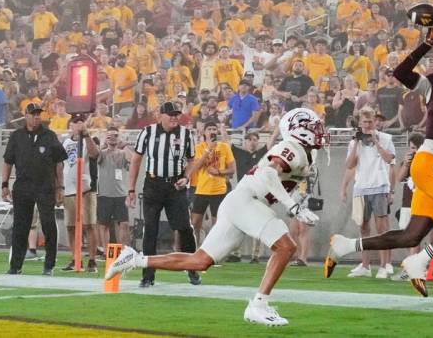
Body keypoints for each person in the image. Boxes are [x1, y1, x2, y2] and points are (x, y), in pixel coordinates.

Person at [325, 19, 433, 298]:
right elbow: (401, 71)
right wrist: (427, 43)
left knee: (411, 235)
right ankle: (421, 260)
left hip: (431, 163)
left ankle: (346, 245)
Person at [107, 108, 323, 326]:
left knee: (199, 261)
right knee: (286, 247)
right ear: (298, 130)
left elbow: (280, 181)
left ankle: (134, 259)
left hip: (240, 203)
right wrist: (293, 206)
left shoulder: (306, 153)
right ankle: (258, 305)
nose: (319, 131)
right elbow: (268, 174)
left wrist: (298, 202)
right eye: (313, 127)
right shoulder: (292, 147)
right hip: (247, 201)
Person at [127, 101, 202, 288]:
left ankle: (192, 267)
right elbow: (136, 161)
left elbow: (192, 160)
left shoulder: (186, 134)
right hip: (153, 184)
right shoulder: (148, 132)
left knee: (184, 228)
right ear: (160, 115)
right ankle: (148, 275)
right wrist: (131, 190)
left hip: (175, 185)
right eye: (171, 114)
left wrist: (186, 176)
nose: (175, 117)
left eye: (177, 114)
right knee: (150, 230)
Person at [2, 103, 67, 275]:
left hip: (45, 187)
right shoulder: (17, 136)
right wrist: (4, 184)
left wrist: (60, 187)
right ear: (26, 116)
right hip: (23, 186)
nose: (37, 116)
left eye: (39, 114)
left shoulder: (49, 135)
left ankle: (49, 265)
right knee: (20, 227)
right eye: (34, 114)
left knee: (48, 224)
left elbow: (59, 163)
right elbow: (8, 161)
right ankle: (15, 266)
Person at [341, 106, 396, 278]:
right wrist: (357, 142)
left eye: (370, 121)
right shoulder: (354, 142)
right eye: (364, 122)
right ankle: (365, 266)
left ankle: (384, 265)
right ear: (360, 123)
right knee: (363, 228)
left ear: (375, 121)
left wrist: (377, 142)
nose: (367, 125)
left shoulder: (385, 138)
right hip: (361, 187)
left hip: (380, 185)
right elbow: (350, 165)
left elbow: (390, 159)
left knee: (382, 229)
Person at [60, 115, 100, 273]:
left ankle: (92, 259)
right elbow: (60, 163)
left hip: (86, 188)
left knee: (89, 225)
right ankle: (75, 257)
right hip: (68, 188)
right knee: (70, 226)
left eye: (81, 122)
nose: (78, 125)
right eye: (75, 122)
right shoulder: (65, 141)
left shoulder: (90, 139)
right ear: (71, 125)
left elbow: (94, 154)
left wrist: (86, 134)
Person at [190, 122, 235, 246]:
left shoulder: (224, 147)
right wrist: (208, 148)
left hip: (219, 191)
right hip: (201, 190)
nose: (212, 131)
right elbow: (196, 166)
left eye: (214, 129)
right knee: (194, 224)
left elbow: (232, 170)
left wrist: (219, 171)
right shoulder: (199, 147)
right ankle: (195, 250)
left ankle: (213, 253)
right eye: (209, 129)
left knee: (217, 226)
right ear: (204, 132)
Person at [96, 127, 132, 247]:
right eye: (109, 136)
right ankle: (106, 253)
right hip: (104, 194)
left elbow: (132, 160)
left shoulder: (123, 153)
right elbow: (95, 155)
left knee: (124, 224)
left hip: (121, 194)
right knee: (104, 224)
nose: (112, 138)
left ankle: (124, 252)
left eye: (115, 135)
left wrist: (124, 144)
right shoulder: (102, 153)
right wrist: (104, 142)